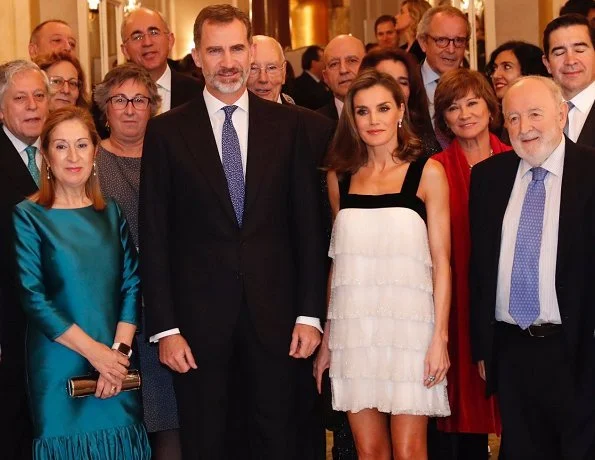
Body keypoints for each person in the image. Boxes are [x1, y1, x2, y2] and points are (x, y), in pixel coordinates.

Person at [138, 4, 325, 459]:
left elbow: (309, 228)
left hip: (280, 323)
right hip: (197, 330)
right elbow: (155, 236)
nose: (228, 61)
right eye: (215, 50)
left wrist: (309, 314)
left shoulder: (291, 126)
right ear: (197, 56)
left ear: (250, 50)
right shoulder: (164, 132)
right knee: (207, 443)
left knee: (278, 441)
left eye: (237, 48)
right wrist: (165, 328)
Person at [315, 69, 451, 459]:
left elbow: (442, 263)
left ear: (400, 112)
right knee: (368, 450)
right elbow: (337, 264)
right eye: (362, 111)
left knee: (410, 451)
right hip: (354, 329)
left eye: (383, 108)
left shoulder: (428, 172)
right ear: (351, 118)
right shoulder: (339, 177)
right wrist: (328, 338)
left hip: (412, 331)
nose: (373, 120)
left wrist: (439, 339)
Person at [12, 106, 151, 459]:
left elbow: (133, 284)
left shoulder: (112, 212)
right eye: (60, 147)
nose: (73, 157)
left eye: (81, 145)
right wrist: (97, 356)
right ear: (45, 155)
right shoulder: (28, 216)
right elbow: (34, 298)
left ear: (95, 151)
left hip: (117, 362)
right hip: (59, 362)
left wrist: (117, 357)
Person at [469, 75, 595, 460]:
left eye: (535, 114)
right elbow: (480, 269)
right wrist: (483, 347)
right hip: (512, 350)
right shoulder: (488, 177)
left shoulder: (591, 171)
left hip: (579, 350)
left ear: (561, 115)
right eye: (513, 118)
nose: (524, 128)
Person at [93, 63, 183, 460]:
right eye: (119, 100)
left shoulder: (174, 157)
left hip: (167, 314)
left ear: (153, 107)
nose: (130, 109)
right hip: (110, 316)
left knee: (169, 426)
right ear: (105, 108)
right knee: (120, 427)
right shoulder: (88, 162)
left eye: (140, 100)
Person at [432, 68, 507, 459]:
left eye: (472, 102)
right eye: (452, 107)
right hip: (458, 301)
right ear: (442, 118)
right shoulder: (436, 168)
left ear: (490, 106)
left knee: (518, 412)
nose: (464, 114)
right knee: (464, 422)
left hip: (511, 301)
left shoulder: (517, 159)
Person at [0, 60, 49, 460]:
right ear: (2, 109)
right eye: (20, 98)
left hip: (66, 325)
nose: (32, 105)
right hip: (10, 326)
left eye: (39, 96)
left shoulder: (66, 150)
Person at [360, 47, 441, 155]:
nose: (396, 88)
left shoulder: (425, 142)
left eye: (403, 82)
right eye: (387, 80)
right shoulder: (356, 141)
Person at [416, 5, 469, 146]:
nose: (451, 49)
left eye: (459, 40)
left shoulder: (480, 87)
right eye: (441, 40)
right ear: (423, 43)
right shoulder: (406, 84)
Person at [543, 14, 595, 148]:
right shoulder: (530, 109)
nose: (570, 61)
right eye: (559, 53)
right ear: (547, 63)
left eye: (579, 50)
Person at [318, 35, 366, 121]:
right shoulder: (314, 124)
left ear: (368, 67)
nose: (343, 70)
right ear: (325, 77)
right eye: (334, 64)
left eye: (352, 60)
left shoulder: (390, 116)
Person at [247, 35, 292, 103]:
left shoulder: (301, 113)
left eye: (271, 68)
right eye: (253, 68)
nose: (263, 79)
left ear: (283, 72)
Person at [293, 45, 332, 110]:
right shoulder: (300, 85)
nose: (326, 65)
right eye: (323, 61)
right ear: (313, 63)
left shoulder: (324, 82)